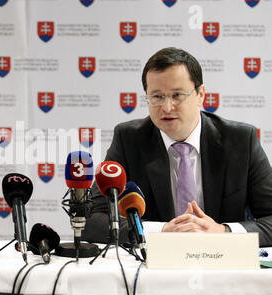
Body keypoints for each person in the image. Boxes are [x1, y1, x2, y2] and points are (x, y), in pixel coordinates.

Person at [83, 47, 272, 247]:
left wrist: (222, 231)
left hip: (222, 265)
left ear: (201, 94)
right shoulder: (129, 140)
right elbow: (93, 221)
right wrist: (162, 231)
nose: (167, 107)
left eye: (177, 95)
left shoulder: (240, 141)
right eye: (157, 97)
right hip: (155, 269)